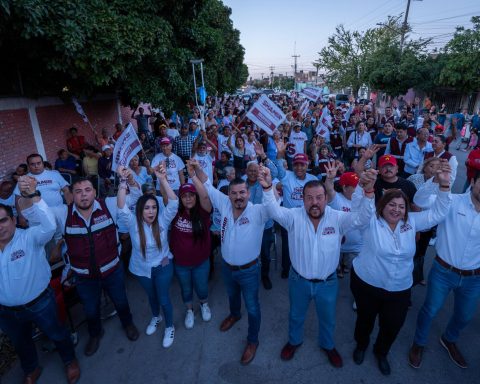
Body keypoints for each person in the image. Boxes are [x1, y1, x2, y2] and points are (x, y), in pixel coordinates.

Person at [258, 163, 377, 368]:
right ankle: (294, 341)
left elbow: (362, 217)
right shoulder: (293, 217)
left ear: (326, 199)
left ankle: (327, 345)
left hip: (328, 283)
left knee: (328, 318)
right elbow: (272, 210)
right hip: (299, 281)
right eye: (310, 198)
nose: (315, 203)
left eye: (319, 198)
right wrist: (268, 188)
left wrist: (368, 192)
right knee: (295, 315)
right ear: (302, 200)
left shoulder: (337, 218)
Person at [350, 163, 452, 375]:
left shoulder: (413, 222)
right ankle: (361, 345)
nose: (396, 209)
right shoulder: (370, 221)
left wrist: (444, 186)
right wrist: (363, 187)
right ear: (382, 205)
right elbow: (358, 207)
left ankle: (381, 352)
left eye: (401, 206)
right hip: (367, 284)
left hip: (399, 289)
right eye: (391, 204)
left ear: (406, 209)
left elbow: (439, 213)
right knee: (365, 320)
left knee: (392, 325)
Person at [50, 174, 141, 356]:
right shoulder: (62, 213)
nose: (83, 195)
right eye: (78, 191)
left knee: (121, 300)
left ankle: (128, 323)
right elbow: (36, 213)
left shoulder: (109, 204)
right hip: (84, 277)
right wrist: (30, 195)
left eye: (87, 190)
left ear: (94, 192)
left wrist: (130, 181)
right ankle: (95, 334)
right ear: (71, 194)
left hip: (112, 270)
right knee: (90, 308)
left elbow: (135, 197)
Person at [1, 177, 80, 384]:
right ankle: (31, 369)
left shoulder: (29, 237)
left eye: (3, 220)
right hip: (7, 311)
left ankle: (70, 361)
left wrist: (34, 196)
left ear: (13, 219)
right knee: (21, 343)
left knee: (57, 332)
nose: (0, 227)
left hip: (39, 303)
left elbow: (49, 225)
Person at [192, 161, 272, 366]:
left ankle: (253, 341)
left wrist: (268, 186)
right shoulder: (224, 203)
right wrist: (195, 169)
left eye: (242, 193)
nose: (238, 197)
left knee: (253, 307)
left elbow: (273, 205)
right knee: (232, 296)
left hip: (249, 271)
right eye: (234, 193)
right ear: (229, 195)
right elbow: (208, 184)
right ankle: (235, 315)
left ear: (248, 193)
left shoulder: (258, 212)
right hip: (227, 268)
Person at [408, 170, 480, 370]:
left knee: (464, 315)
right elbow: (420, 200)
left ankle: (449, 339)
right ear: (473, 181)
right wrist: (437, 182)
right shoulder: (452, 201)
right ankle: (419, 343)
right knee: (430, 310)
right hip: (443, 271)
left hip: (474, 278)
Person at [117, 163, 178, 347]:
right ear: (140, 210)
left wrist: (162, 179)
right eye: (146, 208)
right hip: (141, 268)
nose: (151, 211)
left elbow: (174, 203)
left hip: (163, 266)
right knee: (151, 297)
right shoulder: (133, 223)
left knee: (163, 298)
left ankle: (169, 327)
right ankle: (156, 317)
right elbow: (121, 207)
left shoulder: (163, 220)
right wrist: (122, 181)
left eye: (154, 207)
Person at [170, 166, 213, 330]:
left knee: (202, 287)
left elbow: (206, 196)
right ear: (180, 199)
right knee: (186, 289)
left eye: (191, 195)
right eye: (184, 196)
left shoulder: (203, 212)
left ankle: (204, 305)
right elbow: (168, 198)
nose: (188, 199)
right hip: (181, 263)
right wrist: (162, 178)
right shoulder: (174, 212)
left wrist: (193, 175)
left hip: (201, 261)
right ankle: (189, 310)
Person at [275, 150, 317, 278]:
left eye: (302, 164)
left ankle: (305, 267)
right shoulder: (286, 176)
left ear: (307, 165)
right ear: (293, 166)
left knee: (306, 243)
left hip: (307, 218)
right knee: (287, 244)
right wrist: (280, 154)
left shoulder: (313, 179)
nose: (299, 167)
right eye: (296, 164)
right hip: (289, 218)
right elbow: (278, 167)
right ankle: (286, 268)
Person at [14, 153, 73, 228]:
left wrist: (71, 207)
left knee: (63, 235)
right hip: (37, 216)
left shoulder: (54, 174)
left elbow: (66, 190)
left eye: (39, 163)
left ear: (42, 163)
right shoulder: (24, 179)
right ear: (28, 166)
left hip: (59, 211)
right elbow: (18, 199)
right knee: (44, 238)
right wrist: (21, 216)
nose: (36, 166)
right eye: (32, 164)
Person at [325, 171, 363, 278]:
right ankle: (338, 268)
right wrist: (329, 179)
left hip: (355, 247)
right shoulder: (336, 198)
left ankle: (345, 267)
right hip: (336, 247)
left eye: (361, 185)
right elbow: (328, 189)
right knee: (334, 268)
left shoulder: (362, 200)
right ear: (345, 188)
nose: (360, 189)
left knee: (352, 269)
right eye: (356, 186)